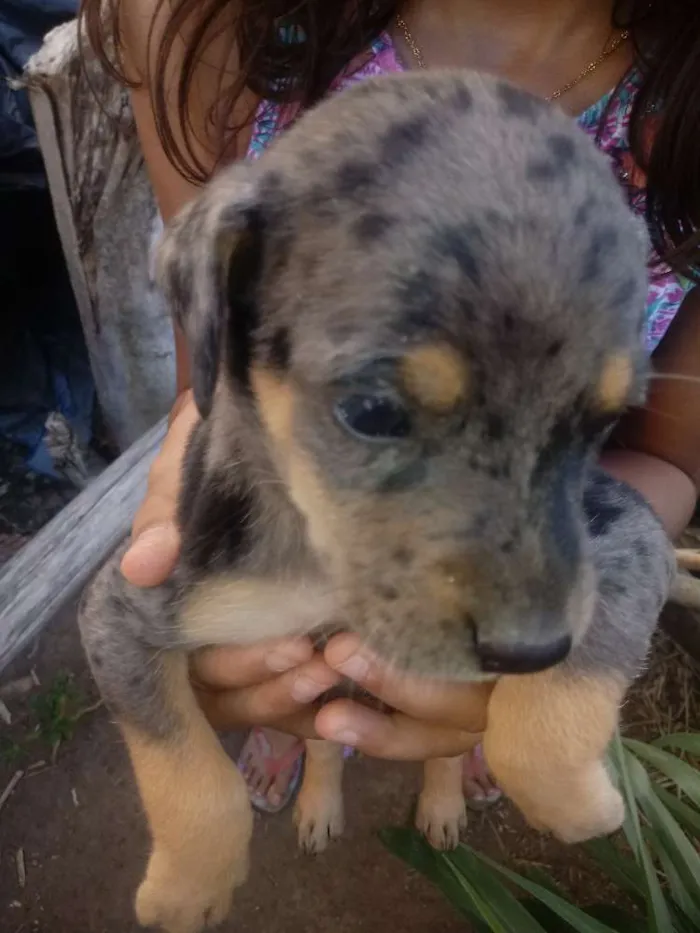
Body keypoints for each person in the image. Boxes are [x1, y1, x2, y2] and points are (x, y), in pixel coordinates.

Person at [81, 0, 700, 813]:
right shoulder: (198, 19)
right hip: (284, 539)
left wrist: (547, 678)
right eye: (379, 406)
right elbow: (221, 369)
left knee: (459, 671)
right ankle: (304, 724)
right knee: (293, 674)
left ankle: (449, 743)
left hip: (552, 528)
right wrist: (190, 522)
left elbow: (665, 457)